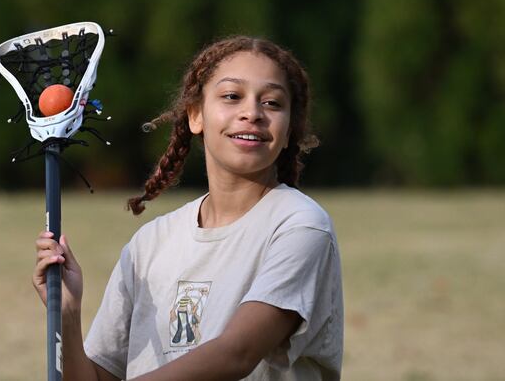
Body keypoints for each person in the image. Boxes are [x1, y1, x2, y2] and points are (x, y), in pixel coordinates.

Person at [33, 36, 344, 380]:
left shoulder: (300, 227)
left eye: (272, 103)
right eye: (231, 96)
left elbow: (237, 353)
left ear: (289, 132)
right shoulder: (148, 244)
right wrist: (67, 317)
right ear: (196, 115)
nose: (252, 113)